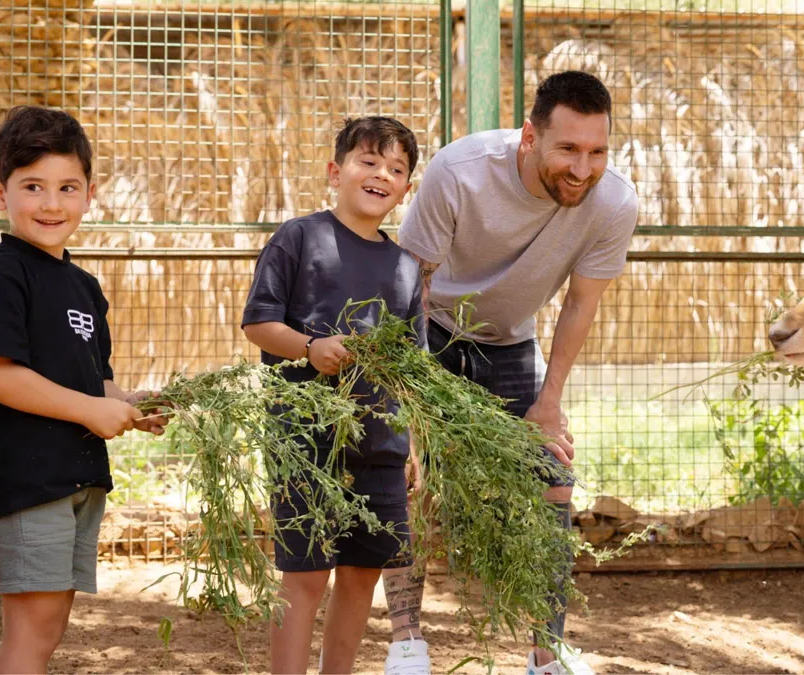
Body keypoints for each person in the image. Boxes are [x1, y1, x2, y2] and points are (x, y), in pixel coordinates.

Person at [382, 70, 639, 675]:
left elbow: (581, 305)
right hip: (432, 330)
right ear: (530, 137)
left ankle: (545, 655)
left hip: (511, 342)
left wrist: (549, 404)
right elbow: (408, 288)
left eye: (597, 151)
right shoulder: (459, 171)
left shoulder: (614, 203)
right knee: (406, 476)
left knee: (554, 476)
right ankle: (407, 642)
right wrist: (411, 403)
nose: (583, 168)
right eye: (568, 149)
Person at [0, 105, 169, 674]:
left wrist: (130, 407)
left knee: (48, 630)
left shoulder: (83, 286)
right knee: (31, 633)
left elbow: (93, 379)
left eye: (67, 187)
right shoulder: (2, 276)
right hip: (29, 478)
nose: (52, 204)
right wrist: (90, 410)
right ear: (0, 194)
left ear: (89, 194)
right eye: (33, 187)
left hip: (76, 476)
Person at [241, 116, 426, 675]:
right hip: (305, 437)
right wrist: (309, 348)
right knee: (304, 575)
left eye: (396, 169)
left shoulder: (405, 267)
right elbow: (258, 323)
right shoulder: (299, 237)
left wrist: (412, 441)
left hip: (381, 444)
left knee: (362, 573)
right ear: (335, 171)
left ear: (406, 188)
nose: (380, 175)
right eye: (368, 162)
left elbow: (410, 371)